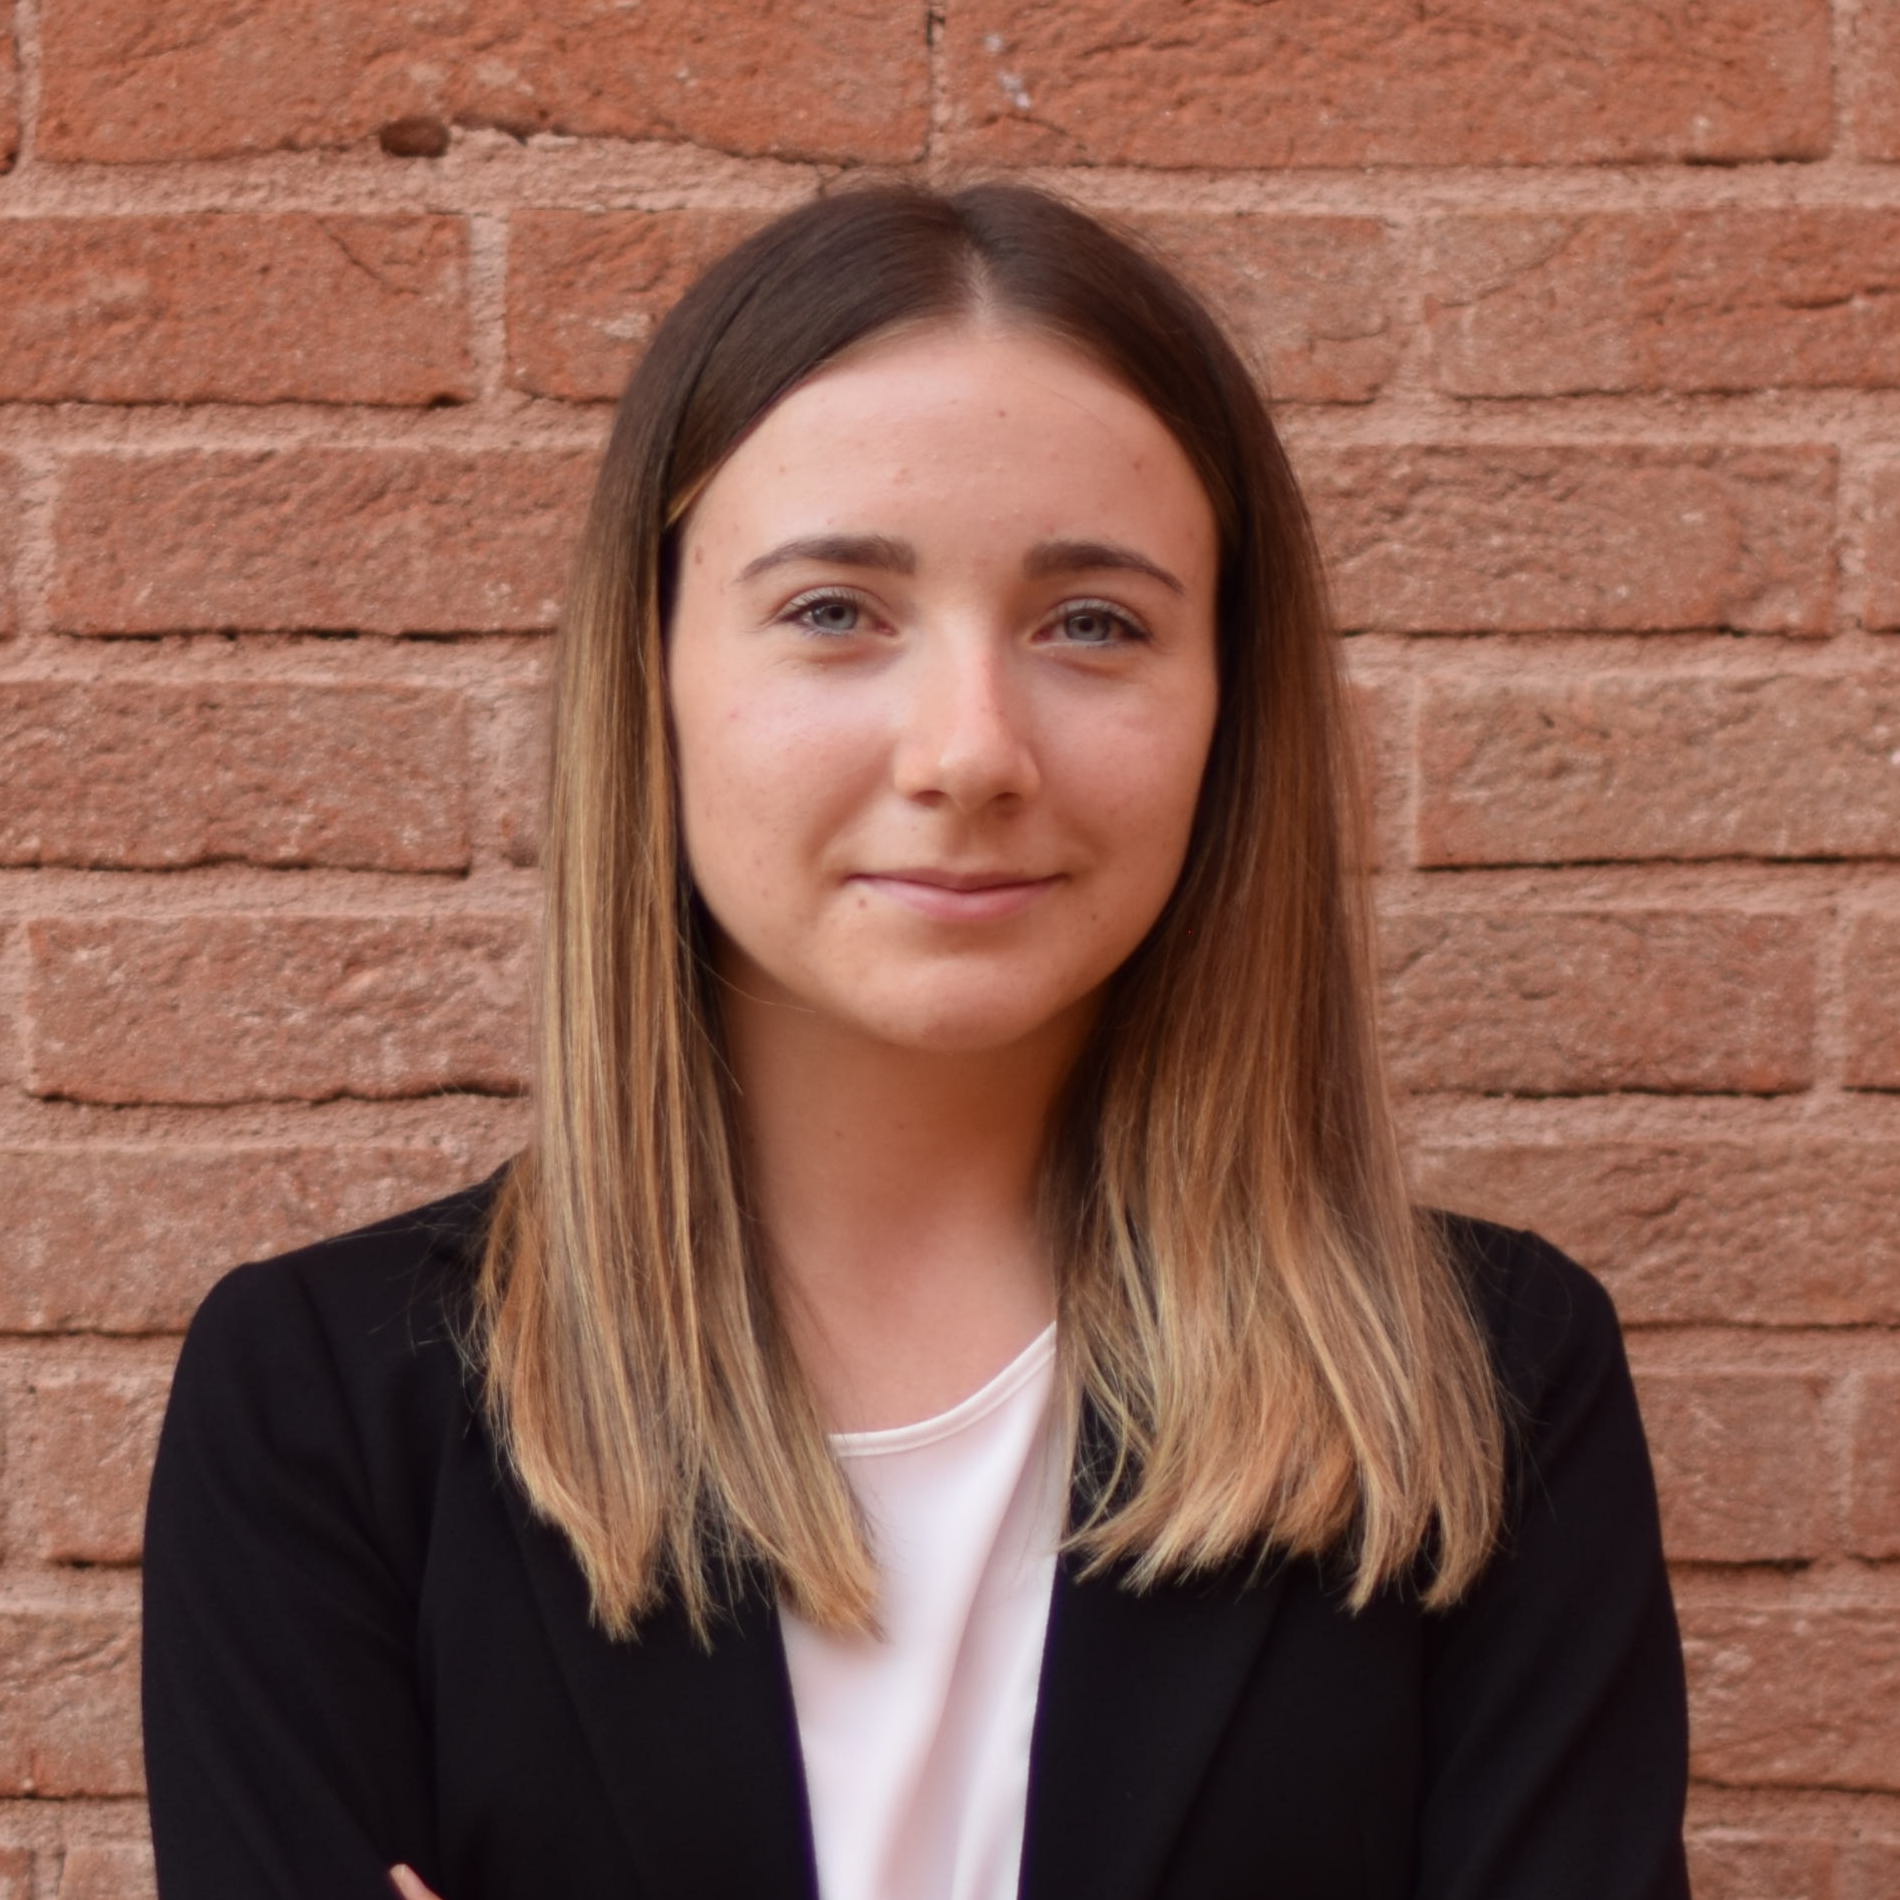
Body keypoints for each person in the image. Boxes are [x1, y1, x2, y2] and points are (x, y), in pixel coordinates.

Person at [140, 182, 1691, 1900]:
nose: (970, 752)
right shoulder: (324, 1409)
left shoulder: (1479, 1391)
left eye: (1094, 622)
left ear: (1227, 709)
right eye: (834, 611)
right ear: (652, 675)